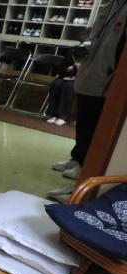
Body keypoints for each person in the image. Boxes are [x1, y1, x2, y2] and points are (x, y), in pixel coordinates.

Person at [51, 0, 127, 185]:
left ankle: (86, 166)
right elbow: (95, 34)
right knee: (83, 121)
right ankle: (77, 158)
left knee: (94, 125)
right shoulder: (110, 5)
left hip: (105, 79)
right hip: (89, 72)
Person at [45, 52, 78, 127]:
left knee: (68, 87)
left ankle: (62, 116)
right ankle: (53, 114)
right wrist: (68, 69)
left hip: (80, 80)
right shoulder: (70, 56)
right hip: (65, 77)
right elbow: (61, 70)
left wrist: (78, 69)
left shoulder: (90, 59)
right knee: (56, 84)